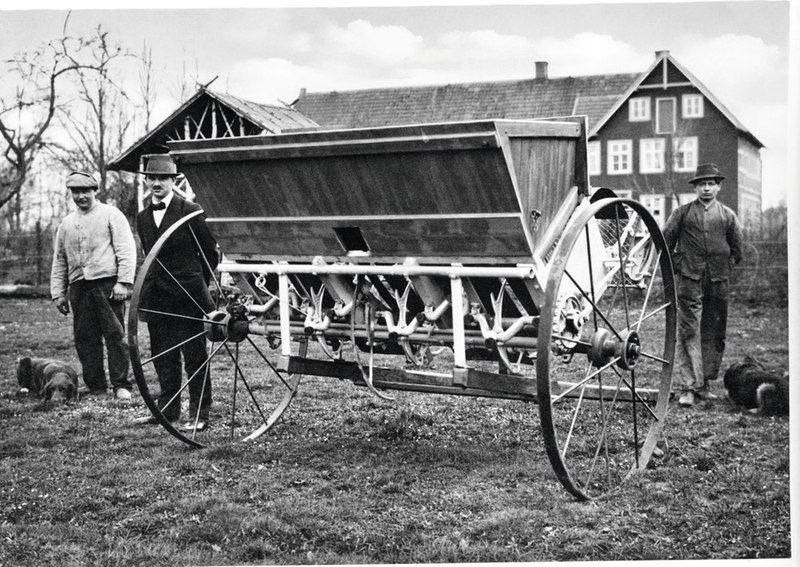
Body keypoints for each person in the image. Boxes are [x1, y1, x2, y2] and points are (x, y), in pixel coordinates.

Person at [134, 154, 219, 432]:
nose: (156, 183)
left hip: (188, 295)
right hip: (157, 296)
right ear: (146, 181)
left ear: (174, 181)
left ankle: (199, 414)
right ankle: (168, 411)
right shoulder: (143, 217)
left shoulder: (191, 210)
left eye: (162, 178)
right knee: (162, 355)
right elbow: (149, 256)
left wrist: (197, 282)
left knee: (195, 355)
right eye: (152, 178)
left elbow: (210, 254)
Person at [50, 171, 137, 400]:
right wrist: (59, 293)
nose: (81, 197)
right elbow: (59, 259)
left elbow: (126, 249)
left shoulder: (111, 214)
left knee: (115, 336)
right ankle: (96, 385)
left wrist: (123, 282)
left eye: (85, 191)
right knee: (85, 338)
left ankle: (121, 385)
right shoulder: (66, 224)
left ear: (94, 191)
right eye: (76, 192)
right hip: (79, 288)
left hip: (108, 285)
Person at [663, 163, 743, 407]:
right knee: (688, 330)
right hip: (690, 279)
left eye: (711, 184)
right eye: (702, 184)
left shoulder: (728, 215)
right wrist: (678, 265)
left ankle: (705, 384)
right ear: (695, 188)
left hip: (718, 281)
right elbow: (665, 241)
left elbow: (737, 248)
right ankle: (688, 387)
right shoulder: (683, 213)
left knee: (713, 330)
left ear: (718, 187)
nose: (706, 188)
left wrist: (725, 268)